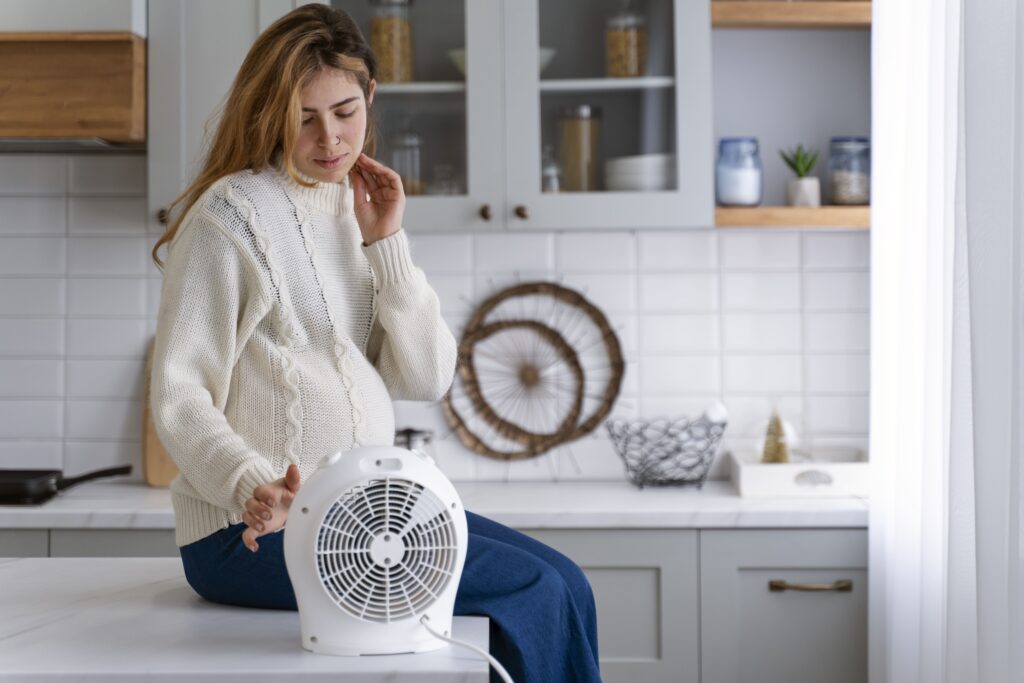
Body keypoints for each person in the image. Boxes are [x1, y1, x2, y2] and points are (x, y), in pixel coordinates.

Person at [149, 5, 601, 682]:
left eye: (345, 110)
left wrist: (386, 242)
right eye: (304, 116)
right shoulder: (230, 218)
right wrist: (250, 485)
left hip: (355, 516)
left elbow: (424, 377)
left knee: (567, 580)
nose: (329, 137)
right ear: (268, 112)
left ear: (371, 99)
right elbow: (181, 395)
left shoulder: (350, 207)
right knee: (533, 589)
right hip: (248, 534)